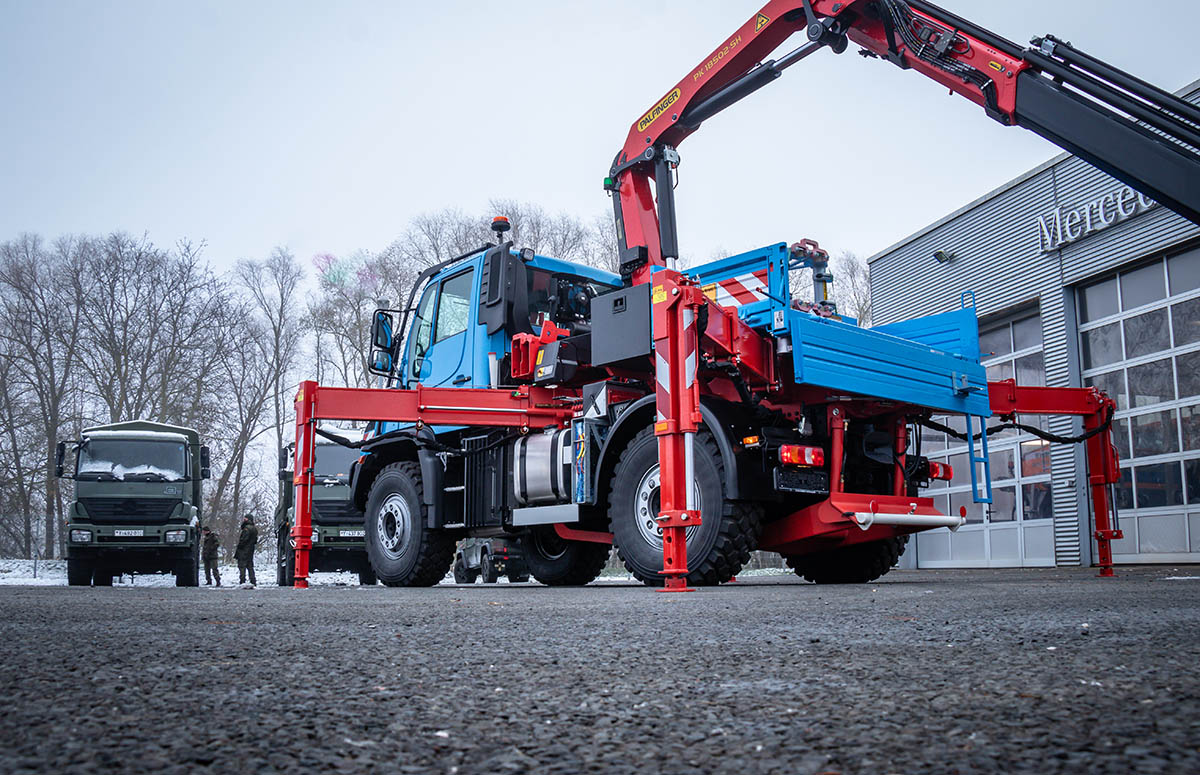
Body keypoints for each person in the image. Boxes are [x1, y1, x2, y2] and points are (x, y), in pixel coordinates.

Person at [236, 514, 258, 587]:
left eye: (245, 519)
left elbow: (244, 540)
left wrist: (240, 546)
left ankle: (242, 581)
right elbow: (255, 540)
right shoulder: (254, 528)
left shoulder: (247, 529)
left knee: (242, 566)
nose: (244, 520)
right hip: (250, 550)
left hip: (244, 550)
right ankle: (253, 581)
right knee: (250, 566)